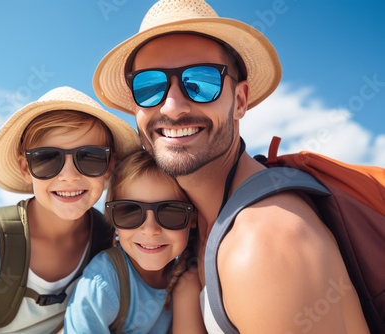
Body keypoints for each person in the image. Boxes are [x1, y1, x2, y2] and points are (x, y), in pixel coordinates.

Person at [92, 0, 370, 333]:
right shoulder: (199, 224)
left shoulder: (262, 244)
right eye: (149, 87)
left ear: (239, 101)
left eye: (201, 82)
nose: (173, 106)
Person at [0, 86, 141, 333]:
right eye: (47, 159)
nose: (69, 176)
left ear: (109, 165)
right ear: (25, 168)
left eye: (90, 157)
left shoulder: (112, 239)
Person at [63, 149, 201, 333]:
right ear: (113, 220)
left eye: (170, 212)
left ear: (192, 218)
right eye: (129, 212)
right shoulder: (102, 283)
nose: (150, 230)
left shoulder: (188, 278)